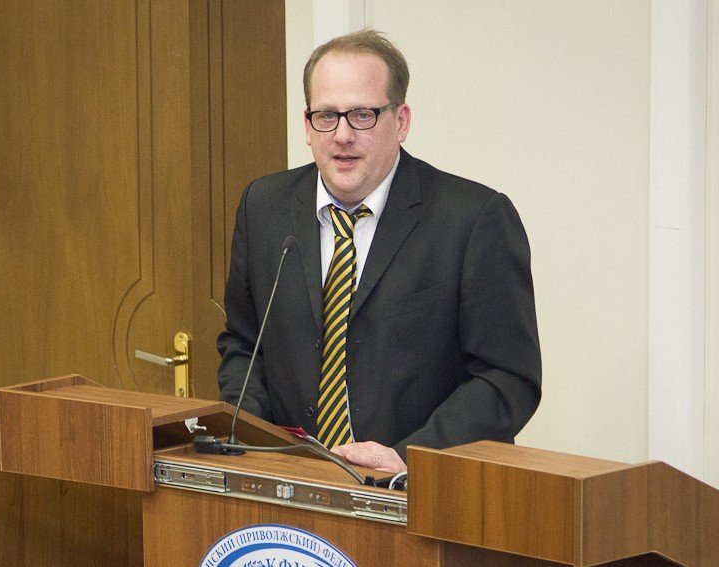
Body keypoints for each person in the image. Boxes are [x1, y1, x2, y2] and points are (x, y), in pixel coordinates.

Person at [217, 29, 541, 474]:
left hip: (417, 489)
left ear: (401, 121)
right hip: (291, 481)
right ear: (307, 126)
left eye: (362, 115)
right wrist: (255, 441)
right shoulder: (264, 207)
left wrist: (409, 459)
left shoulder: (473, 219)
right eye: (326, 116)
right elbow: (243, 344)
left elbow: (508, 379)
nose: (343, 135)